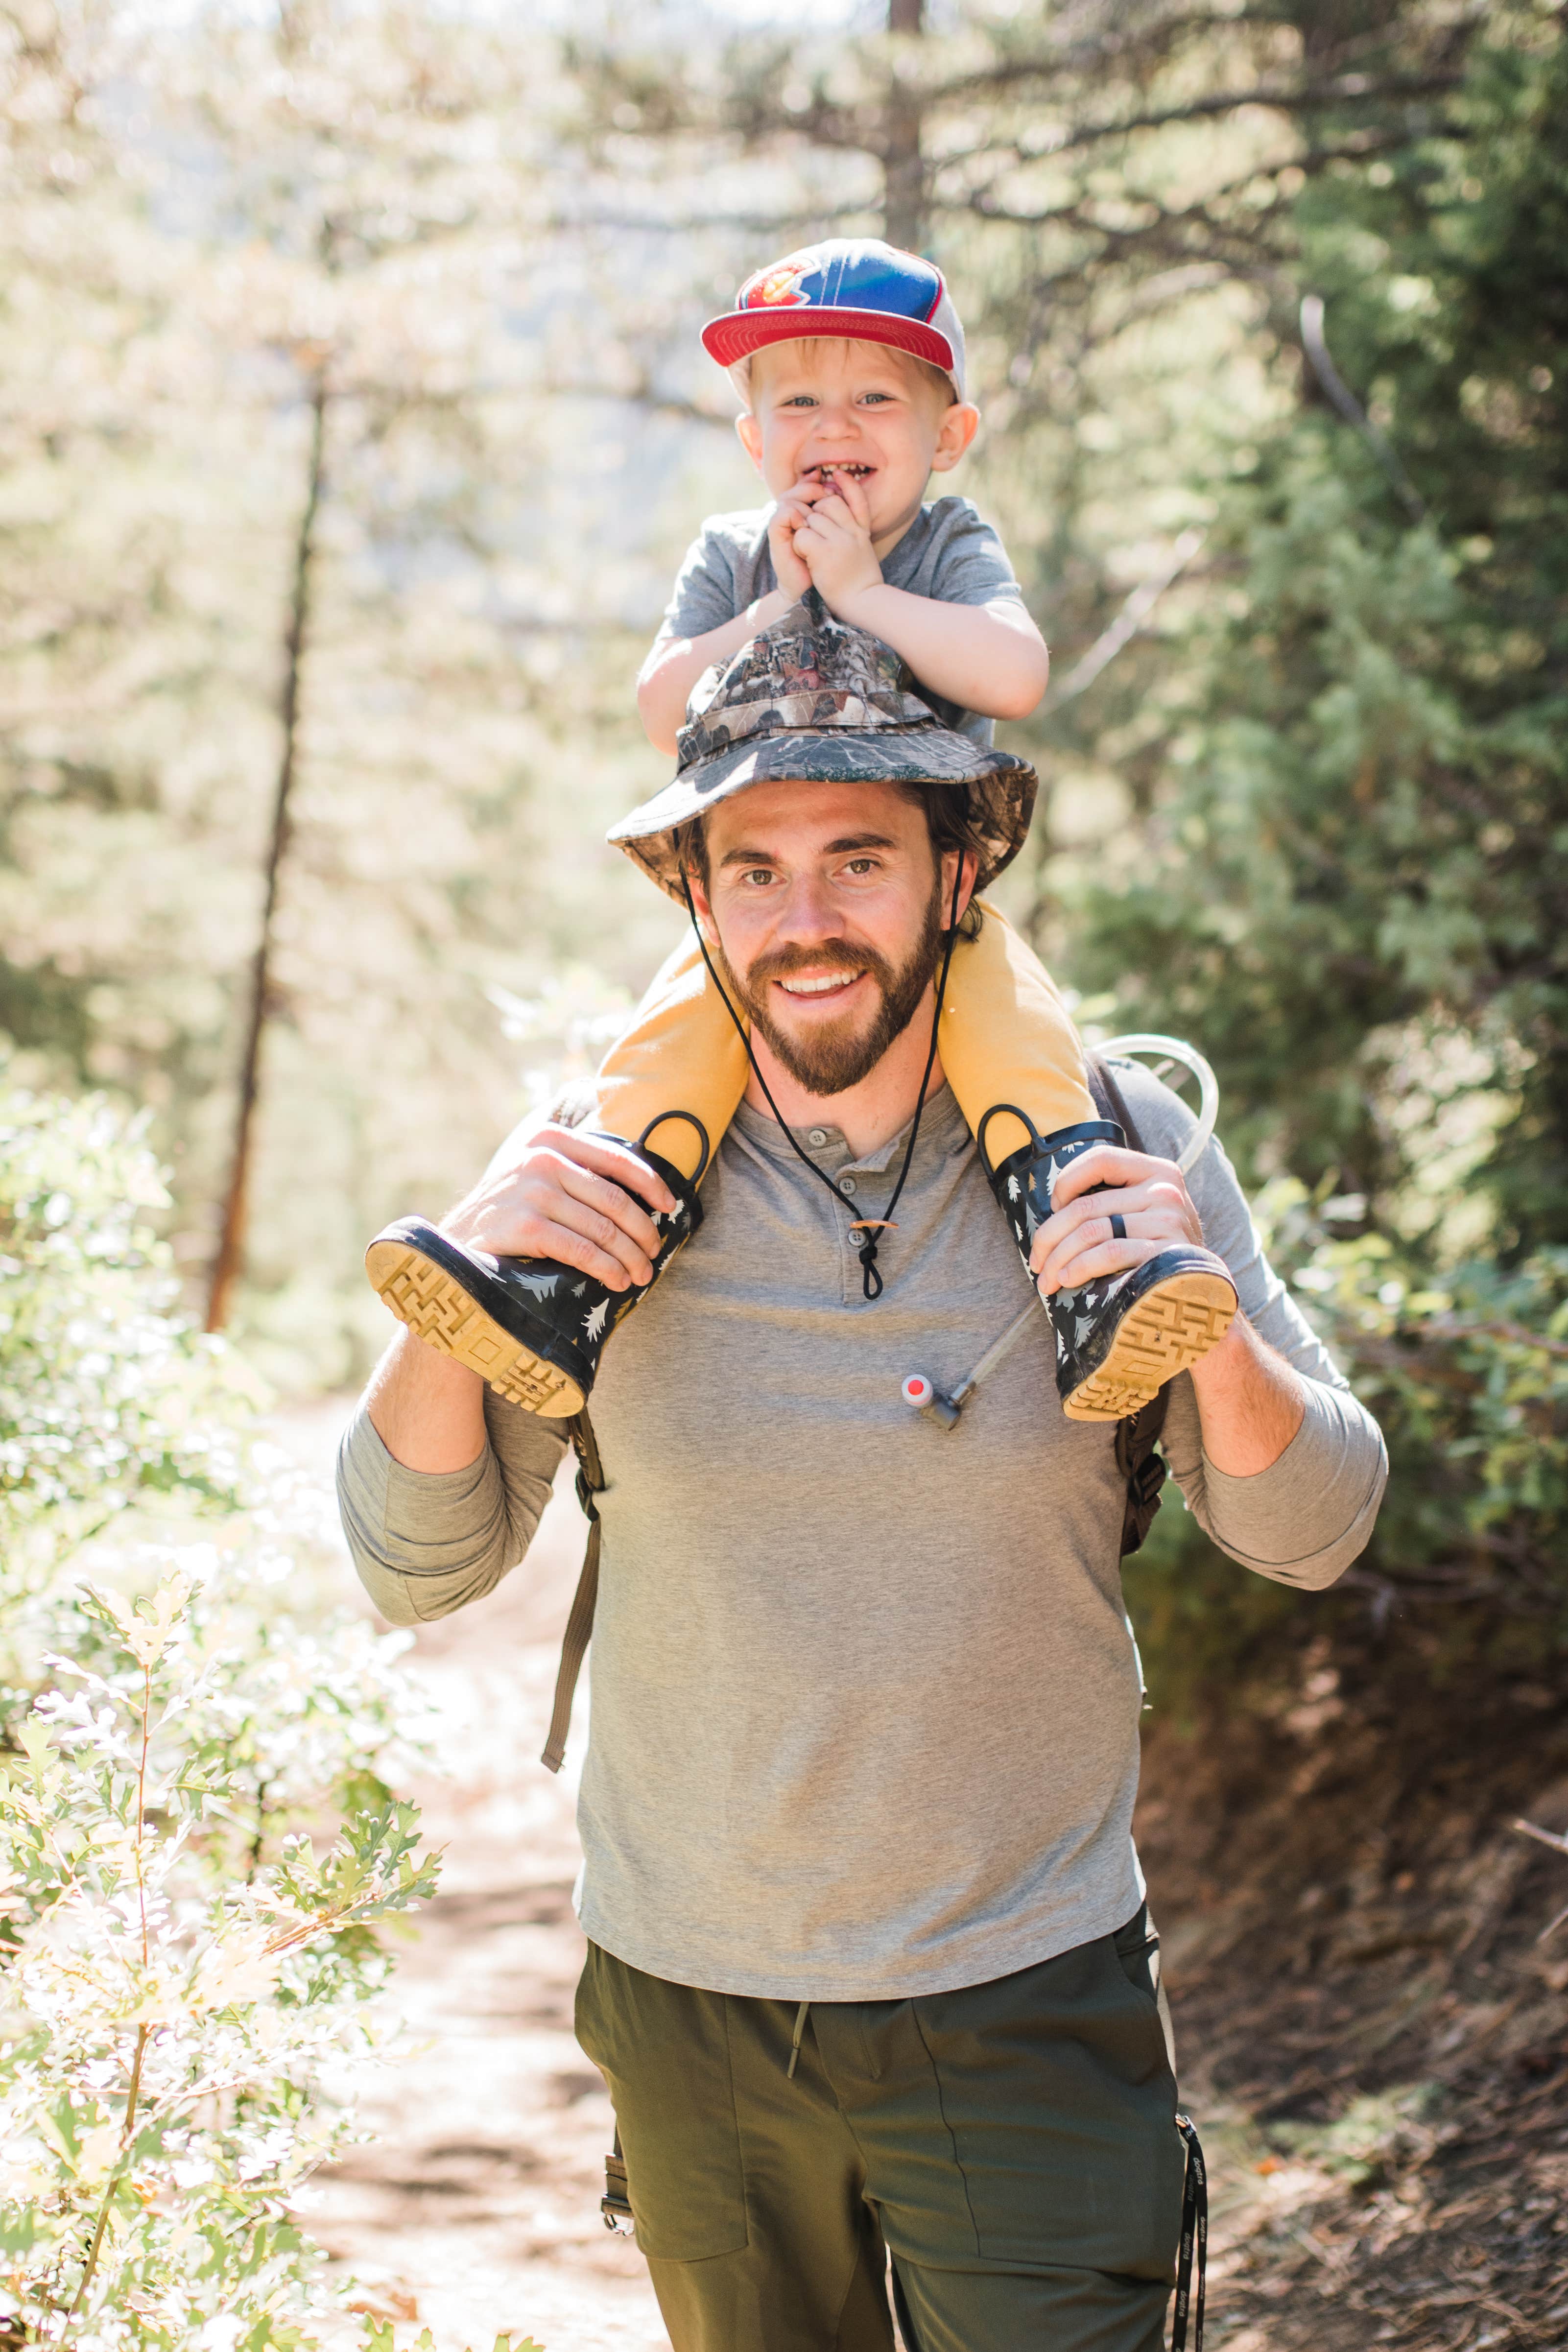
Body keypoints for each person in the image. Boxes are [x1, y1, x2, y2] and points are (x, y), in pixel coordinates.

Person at [339, 627, 1389, 2352]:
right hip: (693, 2008)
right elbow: (413, 1563)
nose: (801, 916)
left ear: (957, 873)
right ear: (695, 896)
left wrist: (1201, 1326)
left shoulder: (1114, 1140)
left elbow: (1314, 1529)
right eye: (749, 867)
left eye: (855, 859)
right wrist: (463, 1270)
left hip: (1029, 1987)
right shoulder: (599, 1170)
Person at [364, 238, 1240, 1424]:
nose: (835, 424)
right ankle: (560, 1288)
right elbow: (659, 705)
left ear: (945, 436)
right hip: (760, 902)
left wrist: (867, 593)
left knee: (1017, 1046)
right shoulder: (733, 556)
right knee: (666, 1046)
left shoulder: (942, 545)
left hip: (925, 906)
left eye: (876, 395)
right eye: (798, 401)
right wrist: (779, 603)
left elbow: (1014, 672)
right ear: (754, 439)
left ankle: (1093, 1283)